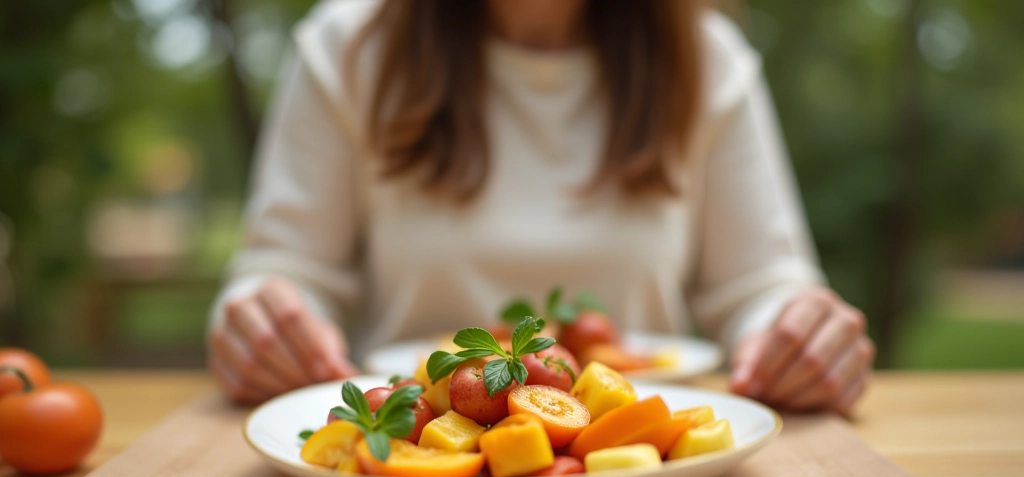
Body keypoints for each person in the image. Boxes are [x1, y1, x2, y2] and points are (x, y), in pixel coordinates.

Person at [208, 0, 874, 413]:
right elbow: (286, 271)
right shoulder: (346, 45)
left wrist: (796, 328)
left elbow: (760, 287)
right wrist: (264, 317)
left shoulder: (709, 59)